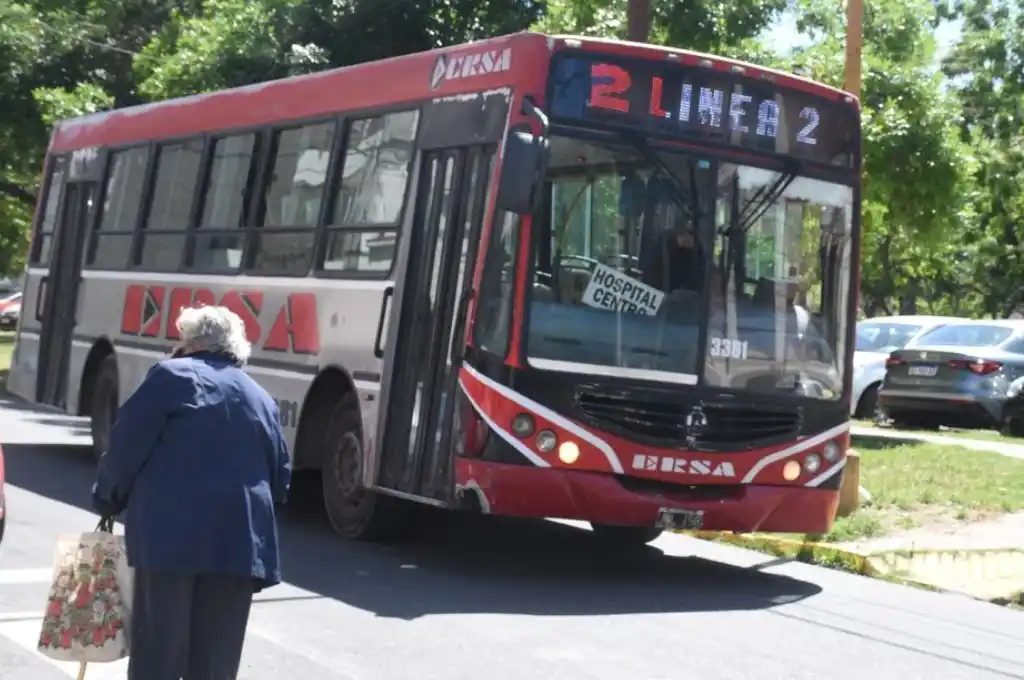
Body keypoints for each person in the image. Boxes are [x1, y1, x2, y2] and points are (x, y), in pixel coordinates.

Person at [91, 305, 292, 680]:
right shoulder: (260, 396)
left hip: (171, 539)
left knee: (158, 655)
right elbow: (281, 479)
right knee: (215, 664)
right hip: (239, 543)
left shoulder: (170, 377)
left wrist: (108, 496)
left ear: (191, 343)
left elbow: (126, 447)